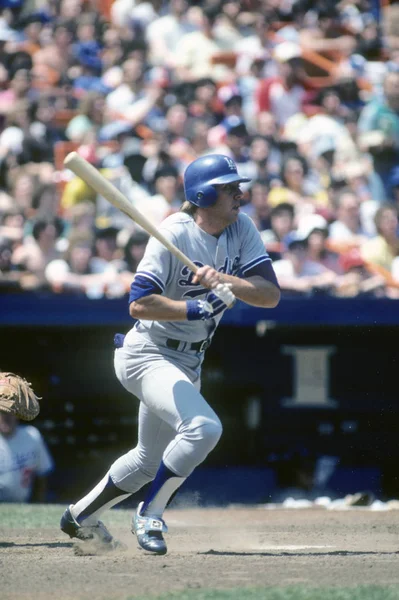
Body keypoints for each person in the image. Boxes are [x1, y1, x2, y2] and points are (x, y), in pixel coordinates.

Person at [59, 154, 280, 554]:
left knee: (148, 460)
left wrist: (223, 279)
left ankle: (79, 516)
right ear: (204, 194)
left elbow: (270, 295)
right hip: (148, 353)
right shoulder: (172, 233)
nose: (240, 194)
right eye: (230, 188)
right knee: (204, 428)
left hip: (189, 360)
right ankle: (150, 513)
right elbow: (138, 305)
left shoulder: (241, 228)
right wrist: (192, 306)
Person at [0, 410, 54, 503]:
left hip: (24, 503)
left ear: (17, 415)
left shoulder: (31, 435)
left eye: (10, 413)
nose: (6, 417)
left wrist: (39, 503)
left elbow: (43, 474)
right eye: (2, 413)